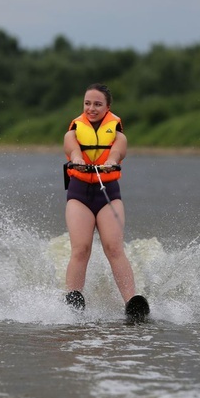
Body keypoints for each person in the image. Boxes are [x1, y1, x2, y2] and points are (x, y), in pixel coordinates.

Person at [62, 83, 148, 319]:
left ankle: (132, 303)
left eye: (98, 104)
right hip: (79, 195)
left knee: (113, 247)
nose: (91, 108)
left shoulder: (119, 136)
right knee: (81, 248)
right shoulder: (73, 132)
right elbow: (72, 149)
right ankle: (73, 301)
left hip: (107, 192)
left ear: (108, 107)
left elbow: (117, 152)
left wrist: (111, 161)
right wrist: (78, 158)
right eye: (87, 103)